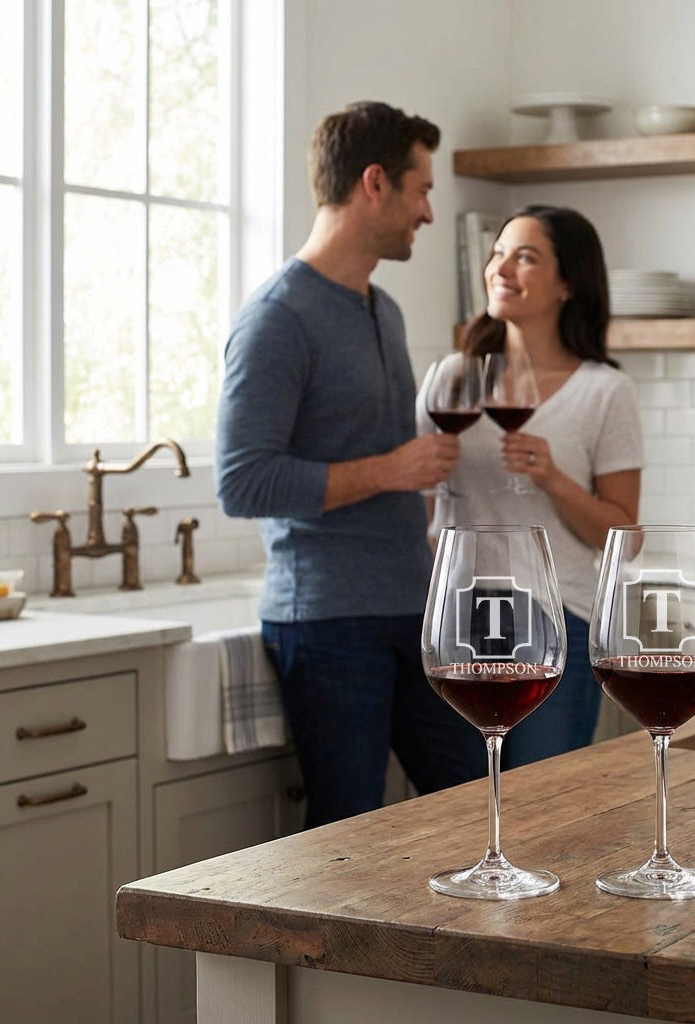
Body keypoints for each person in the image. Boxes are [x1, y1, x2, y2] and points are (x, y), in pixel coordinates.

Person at [216, 101, 485, 828]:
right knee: (346, 836)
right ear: (375, 183)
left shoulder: (384, 309)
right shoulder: (277, 318)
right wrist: (391, 471)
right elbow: (241, 482)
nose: (428, 213)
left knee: (474, 808)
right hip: (328, 622)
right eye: (422, 189)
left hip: (412, 605)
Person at [418, 204, 643, 769]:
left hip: (555, 613)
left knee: (544, 799)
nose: (501, 268)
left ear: (568, 282)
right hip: (456, 611)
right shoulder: (452, 378)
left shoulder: (604, 391)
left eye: (525, 257)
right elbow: (420, 513)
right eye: (498, 254)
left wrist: (553, 480)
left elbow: (624, 539)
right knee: (458, 801)